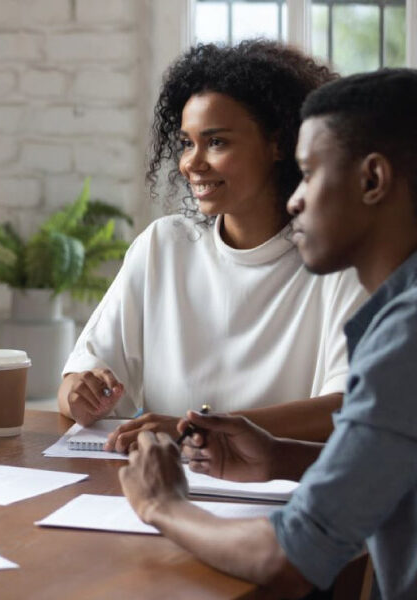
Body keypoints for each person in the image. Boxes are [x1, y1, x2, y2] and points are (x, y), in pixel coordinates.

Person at [119, 68, 417, 600]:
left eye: (308, 174)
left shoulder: (406, 338)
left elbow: (288, 558)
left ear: (372, 180)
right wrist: (282, 457)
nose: (295, 200)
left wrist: (161, 504)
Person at [58, 41, 366, 452]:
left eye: (216, 142)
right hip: (162, 493)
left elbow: (346, 407)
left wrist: (195, 428)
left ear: (278, 143)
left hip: (279, 501)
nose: (191, 162)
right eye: (187, 142)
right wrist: (81, 393)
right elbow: (76, 385)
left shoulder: (337, 262)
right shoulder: (163, 247)